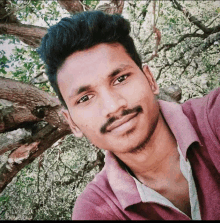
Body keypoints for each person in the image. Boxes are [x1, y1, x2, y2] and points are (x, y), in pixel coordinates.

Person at [38, 10, 220, 220]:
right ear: (72, 123)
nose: (113, 106)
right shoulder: (96, 211)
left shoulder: (213, 117)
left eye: (120, 79)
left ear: (150, 80)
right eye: (85, 98)